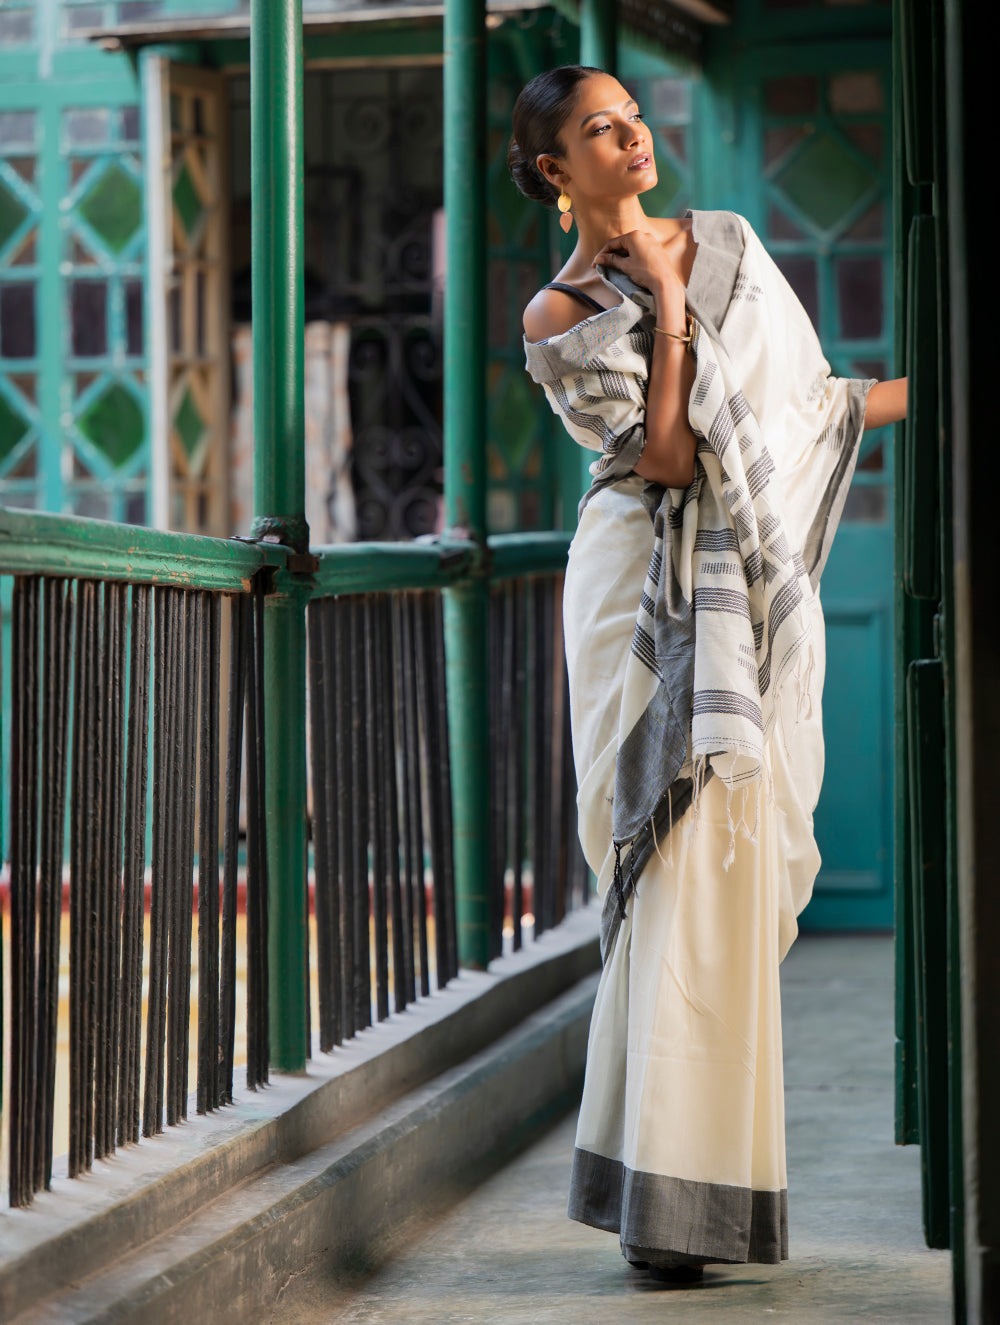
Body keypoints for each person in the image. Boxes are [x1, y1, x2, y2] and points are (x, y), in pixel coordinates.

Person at [508, 65, 907, 1283]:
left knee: (726, 874)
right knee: (667, 863)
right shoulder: (557, 313)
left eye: (632, 118)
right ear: (551, 173)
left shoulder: (728, 241)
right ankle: (656, 1207)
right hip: (639, 589)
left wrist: (926, 389)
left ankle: (702, 1196)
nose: (633, 139)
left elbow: (807, 410)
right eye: (597, 131)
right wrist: (670, 308)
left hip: (742, 587)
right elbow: (671, 462)